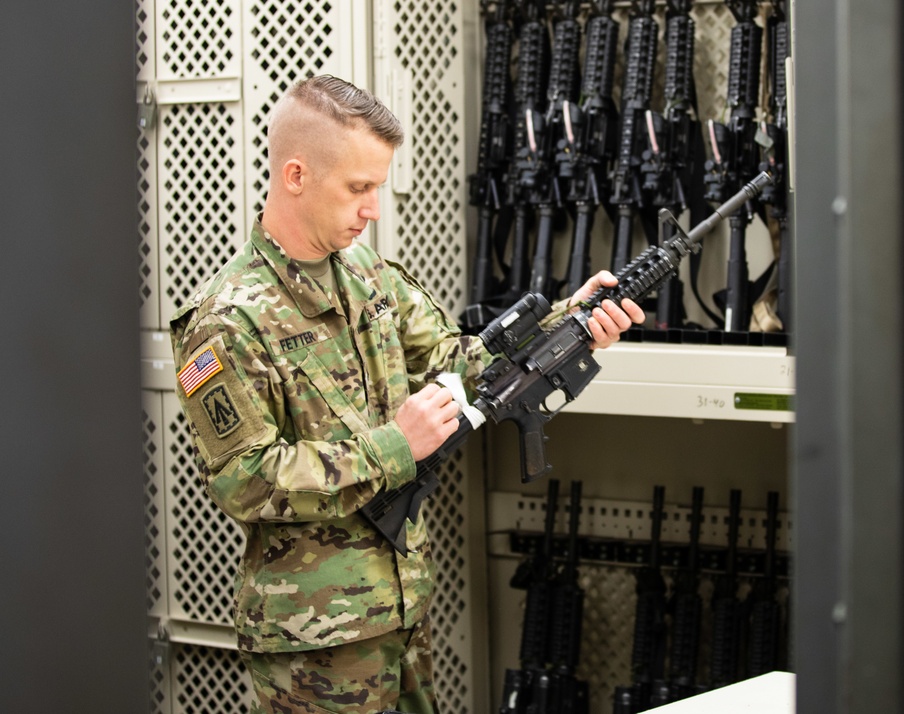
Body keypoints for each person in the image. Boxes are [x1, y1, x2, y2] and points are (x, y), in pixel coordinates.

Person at [170, 74, 644, 714]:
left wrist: (572, 322)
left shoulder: (369, 277)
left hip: (403, 608)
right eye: (358, 188)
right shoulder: (228, 320)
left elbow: (458, 360)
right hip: (313, 641)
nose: (373, 209)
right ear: (296, 175)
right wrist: (395, 447)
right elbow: (244, 480)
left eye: (378, 188)